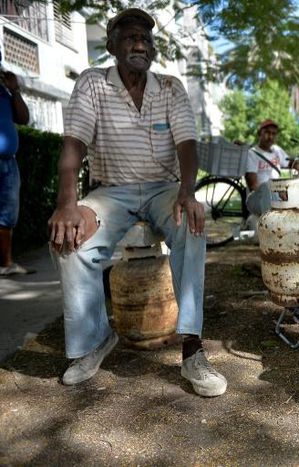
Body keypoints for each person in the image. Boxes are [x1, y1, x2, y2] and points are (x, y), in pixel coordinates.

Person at [47, 8, 227, 397]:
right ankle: (94, 340)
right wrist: (67, 204)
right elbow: (74, 144)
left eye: (146, 38)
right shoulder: (93, 84)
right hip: (112, 191)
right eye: (130, 36)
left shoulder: (170, 87)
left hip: (165, 188)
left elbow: (187, 144)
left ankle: (193, 349)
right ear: (111, 45)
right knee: (68, 240)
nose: (140, 43)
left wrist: (187, 192)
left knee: (191, 226)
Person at [0, 50, 32, 276]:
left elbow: (23, 118)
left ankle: (6, 264)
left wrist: (15, 90)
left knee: (8, 215)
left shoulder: (4, 91)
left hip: (9, 163)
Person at [244, 119, 293, 217]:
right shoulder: (252, 154)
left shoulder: (277, 150)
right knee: (266, 186)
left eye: (274, 134)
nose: (270, 136)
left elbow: (291, 163)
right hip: (257, 199)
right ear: (259, 134)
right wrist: (275, 192)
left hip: (275, 194)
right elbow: (253, 186)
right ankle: (269, 226)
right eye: (267, 132)